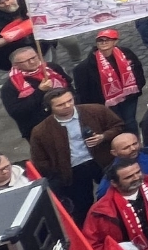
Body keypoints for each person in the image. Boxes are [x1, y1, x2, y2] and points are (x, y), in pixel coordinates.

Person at [30, 88, 123, 217]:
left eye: (70, 100)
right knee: (82, 207)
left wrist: (103, 136)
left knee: (116, 194)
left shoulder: (96, 110)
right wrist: (58, 171)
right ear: (49, 108)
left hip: (101, 161)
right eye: (60, 105)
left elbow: (118, 126)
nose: (67, 106)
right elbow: (39, 160)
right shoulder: (40, 131)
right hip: (73, 170)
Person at [71, 28, 145, 135]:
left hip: (129, 97)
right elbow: (83, 91)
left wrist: (138, 85)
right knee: (115, 125)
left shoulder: (126, 53)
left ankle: (135, 144)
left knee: (130, 122)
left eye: (107, 40)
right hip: (107, 102)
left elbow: (138, 69)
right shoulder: (84, 67)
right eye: (101, 40)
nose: (104, 42)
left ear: (115, 41)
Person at [0, 45, 70, 139]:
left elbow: (68, 85)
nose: (32, 62)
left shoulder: (52, 68)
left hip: (67, 117)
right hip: (40, 128)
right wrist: (40, 92)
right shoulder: (10, 87)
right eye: (26, 61)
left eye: (34, 57)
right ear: (16, 65)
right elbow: (17, 112)